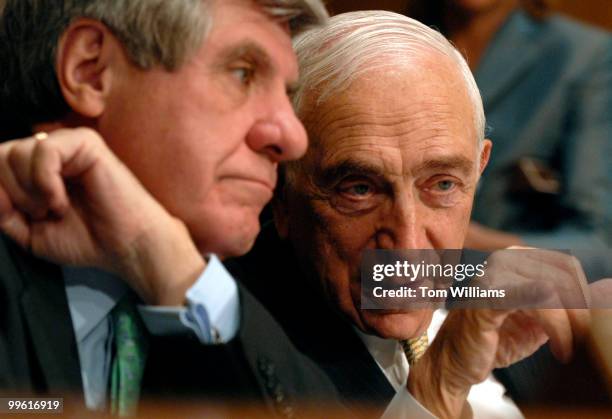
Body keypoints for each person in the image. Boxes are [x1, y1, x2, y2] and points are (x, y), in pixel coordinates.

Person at [234, 10, 604, 419]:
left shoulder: (509, 303)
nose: (409, 246)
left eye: (442, 184)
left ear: (478, 169)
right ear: (284, 192)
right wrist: (437, 387)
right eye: (360, 190)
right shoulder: (229, 339)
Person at [0, 0, 347, 416]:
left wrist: (167, 264)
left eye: (286, 96)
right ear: (90, 71)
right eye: (243, 74)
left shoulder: (239, 293)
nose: (293, 138)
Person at [404, 0, 612, 251]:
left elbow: (599, 242)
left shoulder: (582, 55)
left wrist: (478, 245)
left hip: (507, 282)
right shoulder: (393, 44)